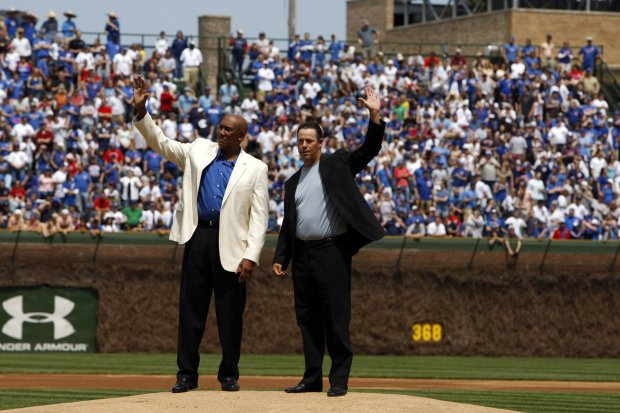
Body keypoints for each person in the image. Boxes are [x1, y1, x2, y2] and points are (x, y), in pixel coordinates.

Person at [131, 75, 269, 393]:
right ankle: (186, 375)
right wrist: (142, 112)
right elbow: (162, 143)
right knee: (191, 310)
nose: (221, 132)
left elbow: (260, 218)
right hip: (198, 238)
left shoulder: (256, 168)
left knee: (230, 316)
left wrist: (252, 255)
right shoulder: (198, 150)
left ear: (242, 136)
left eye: (228, 129)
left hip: (233, 246)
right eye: (220, 127)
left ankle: (229, 375)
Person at [272, 84, 385, 397]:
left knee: (336, 315)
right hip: (304, 255)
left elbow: (369, 151)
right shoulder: (292, 182)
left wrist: (374, 116)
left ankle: (339, 379)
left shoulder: (336, 164)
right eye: (300, 141)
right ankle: (311, 378)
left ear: (320, 143)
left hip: (332, 251)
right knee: (306, 317)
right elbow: (289, 224)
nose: (304, 145)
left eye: (309, 140)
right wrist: (282, 256)